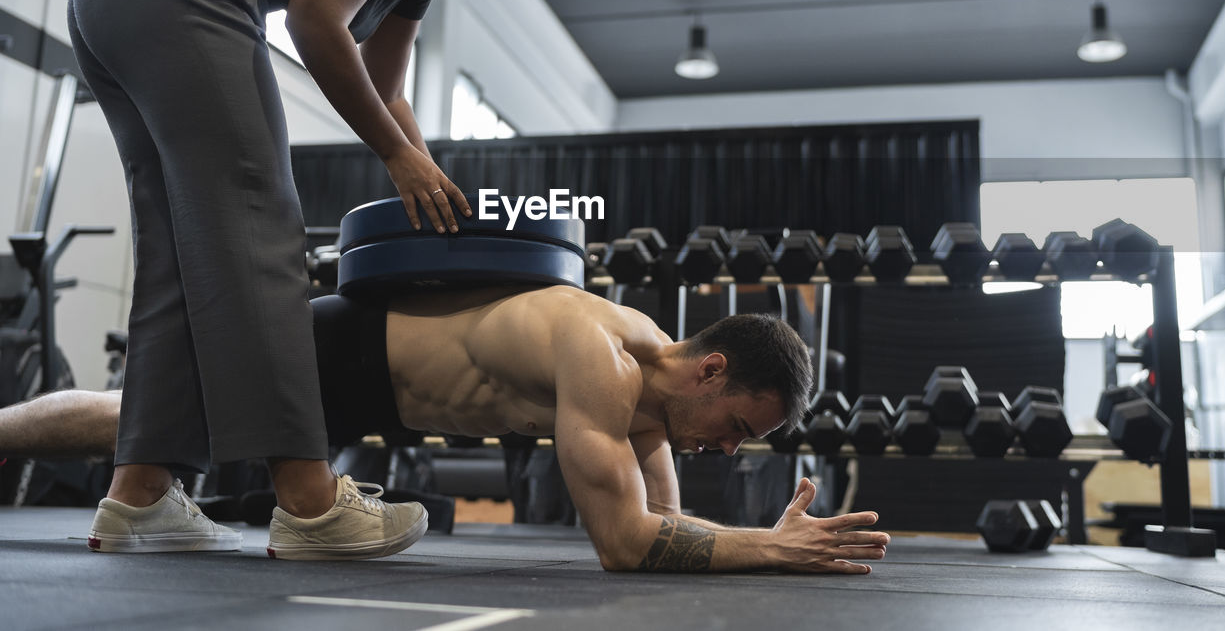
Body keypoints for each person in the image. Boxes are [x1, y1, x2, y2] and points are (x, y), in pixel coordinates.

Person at [63, 0, 571, 559]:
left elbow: (388, 88)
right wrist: (395, 157)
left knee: (178, 248)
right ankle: (308, 499)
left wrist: (424, 170)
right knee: (257, 218)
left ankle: (139, 492)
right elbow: (311, 19)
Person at [0, 285, 891, 573]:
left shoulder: (657, 409)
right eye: (736, 427)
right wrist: (766, 550)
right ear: (712, 369)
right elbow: (625, 542)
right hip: (343, 349)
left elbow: (670, 524)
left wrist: (748, 536)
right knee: (139, 416)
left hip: (376, 394)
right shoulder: (604, 356)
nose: (728, 450)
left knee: (146, 423)